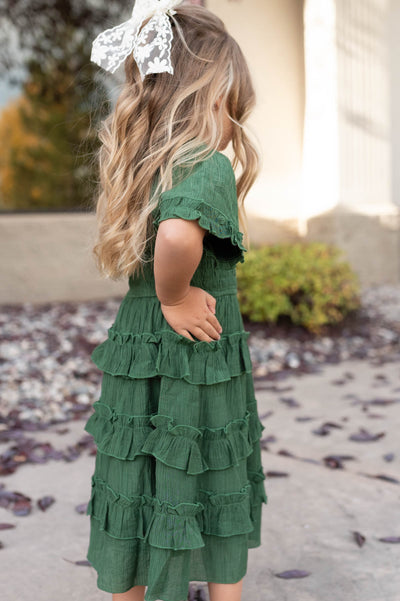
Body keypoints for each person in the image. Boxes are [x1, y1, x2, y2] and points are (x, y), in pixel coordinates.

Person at [83, 2, 268, 601]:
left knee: (137, 472)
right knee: (214, 473)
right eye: (229, 105)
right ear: (203, 98)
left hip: (139, 352)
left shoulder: (142, 165)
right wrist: (177, 295)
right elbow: (177, 235)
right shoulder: (208, 164)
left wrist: (160, 299)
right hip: (196, 351)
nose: (233, 122)